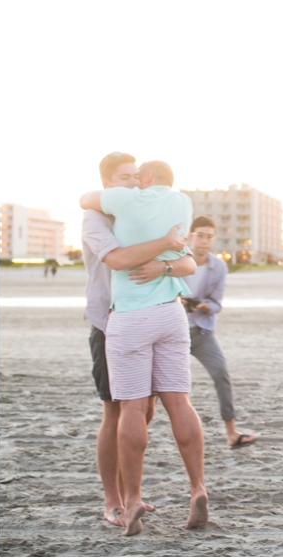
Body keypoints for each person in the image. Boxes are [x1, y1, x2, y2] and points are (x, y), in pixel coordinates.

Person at [80, 158, 209, 536]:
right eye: (125, 178)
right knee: (119, 413)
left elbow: (187, 264)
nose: (135, 183)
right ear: (108, 183)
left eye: (138, 176)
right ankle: (117, 499)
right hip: (113, 321)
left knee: (139, 410)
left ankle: (134, 498)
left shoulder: (133, 204)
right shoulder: (101, 217)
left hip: (134, 317)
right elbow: (118, 259)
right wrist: (167, 245)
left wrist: (164, 265)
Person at [181, 216, 257, 449]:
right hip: (174, 332)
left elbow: (217, 304)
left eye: (209, 237)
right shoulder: (177, 260)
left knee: (221, 372)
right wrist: (178, 302)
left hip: (202, 331)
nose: (204, 241)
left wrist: (203, 306)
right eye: (200, 236)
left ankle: (231, 432)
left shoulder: (218, 267)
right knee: (163, 387)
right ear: (191, 236)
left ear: (213, 239)